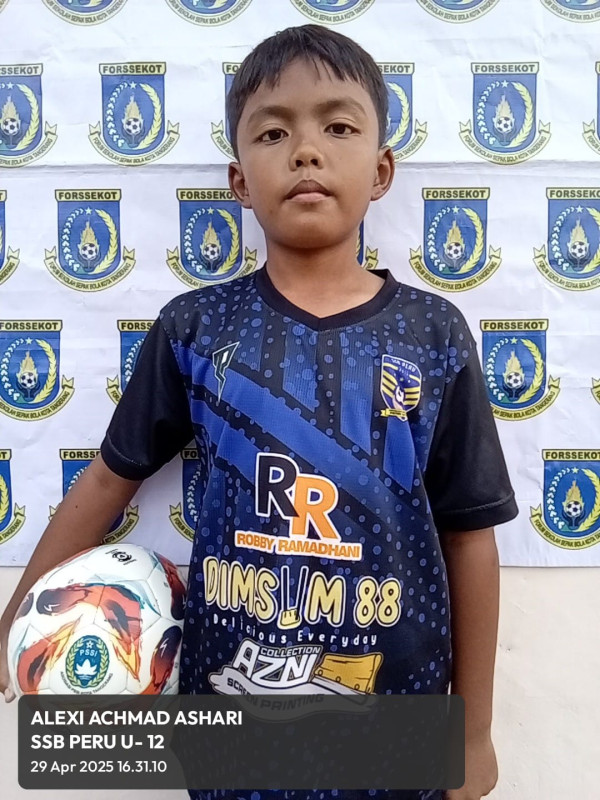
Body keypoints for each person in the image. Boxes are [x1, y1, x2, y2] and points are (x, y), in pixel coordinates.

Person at [0, 24, 518, 800]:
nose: (306, 151)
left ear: (381, 170)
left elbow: (470, 534)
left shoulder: (434, 333)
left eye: (337, 127)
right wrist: (16, 621)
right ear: (240, 180)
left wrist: (473, 732)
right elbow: (108, 481)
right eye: (274, 132)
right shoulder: (195, 328)